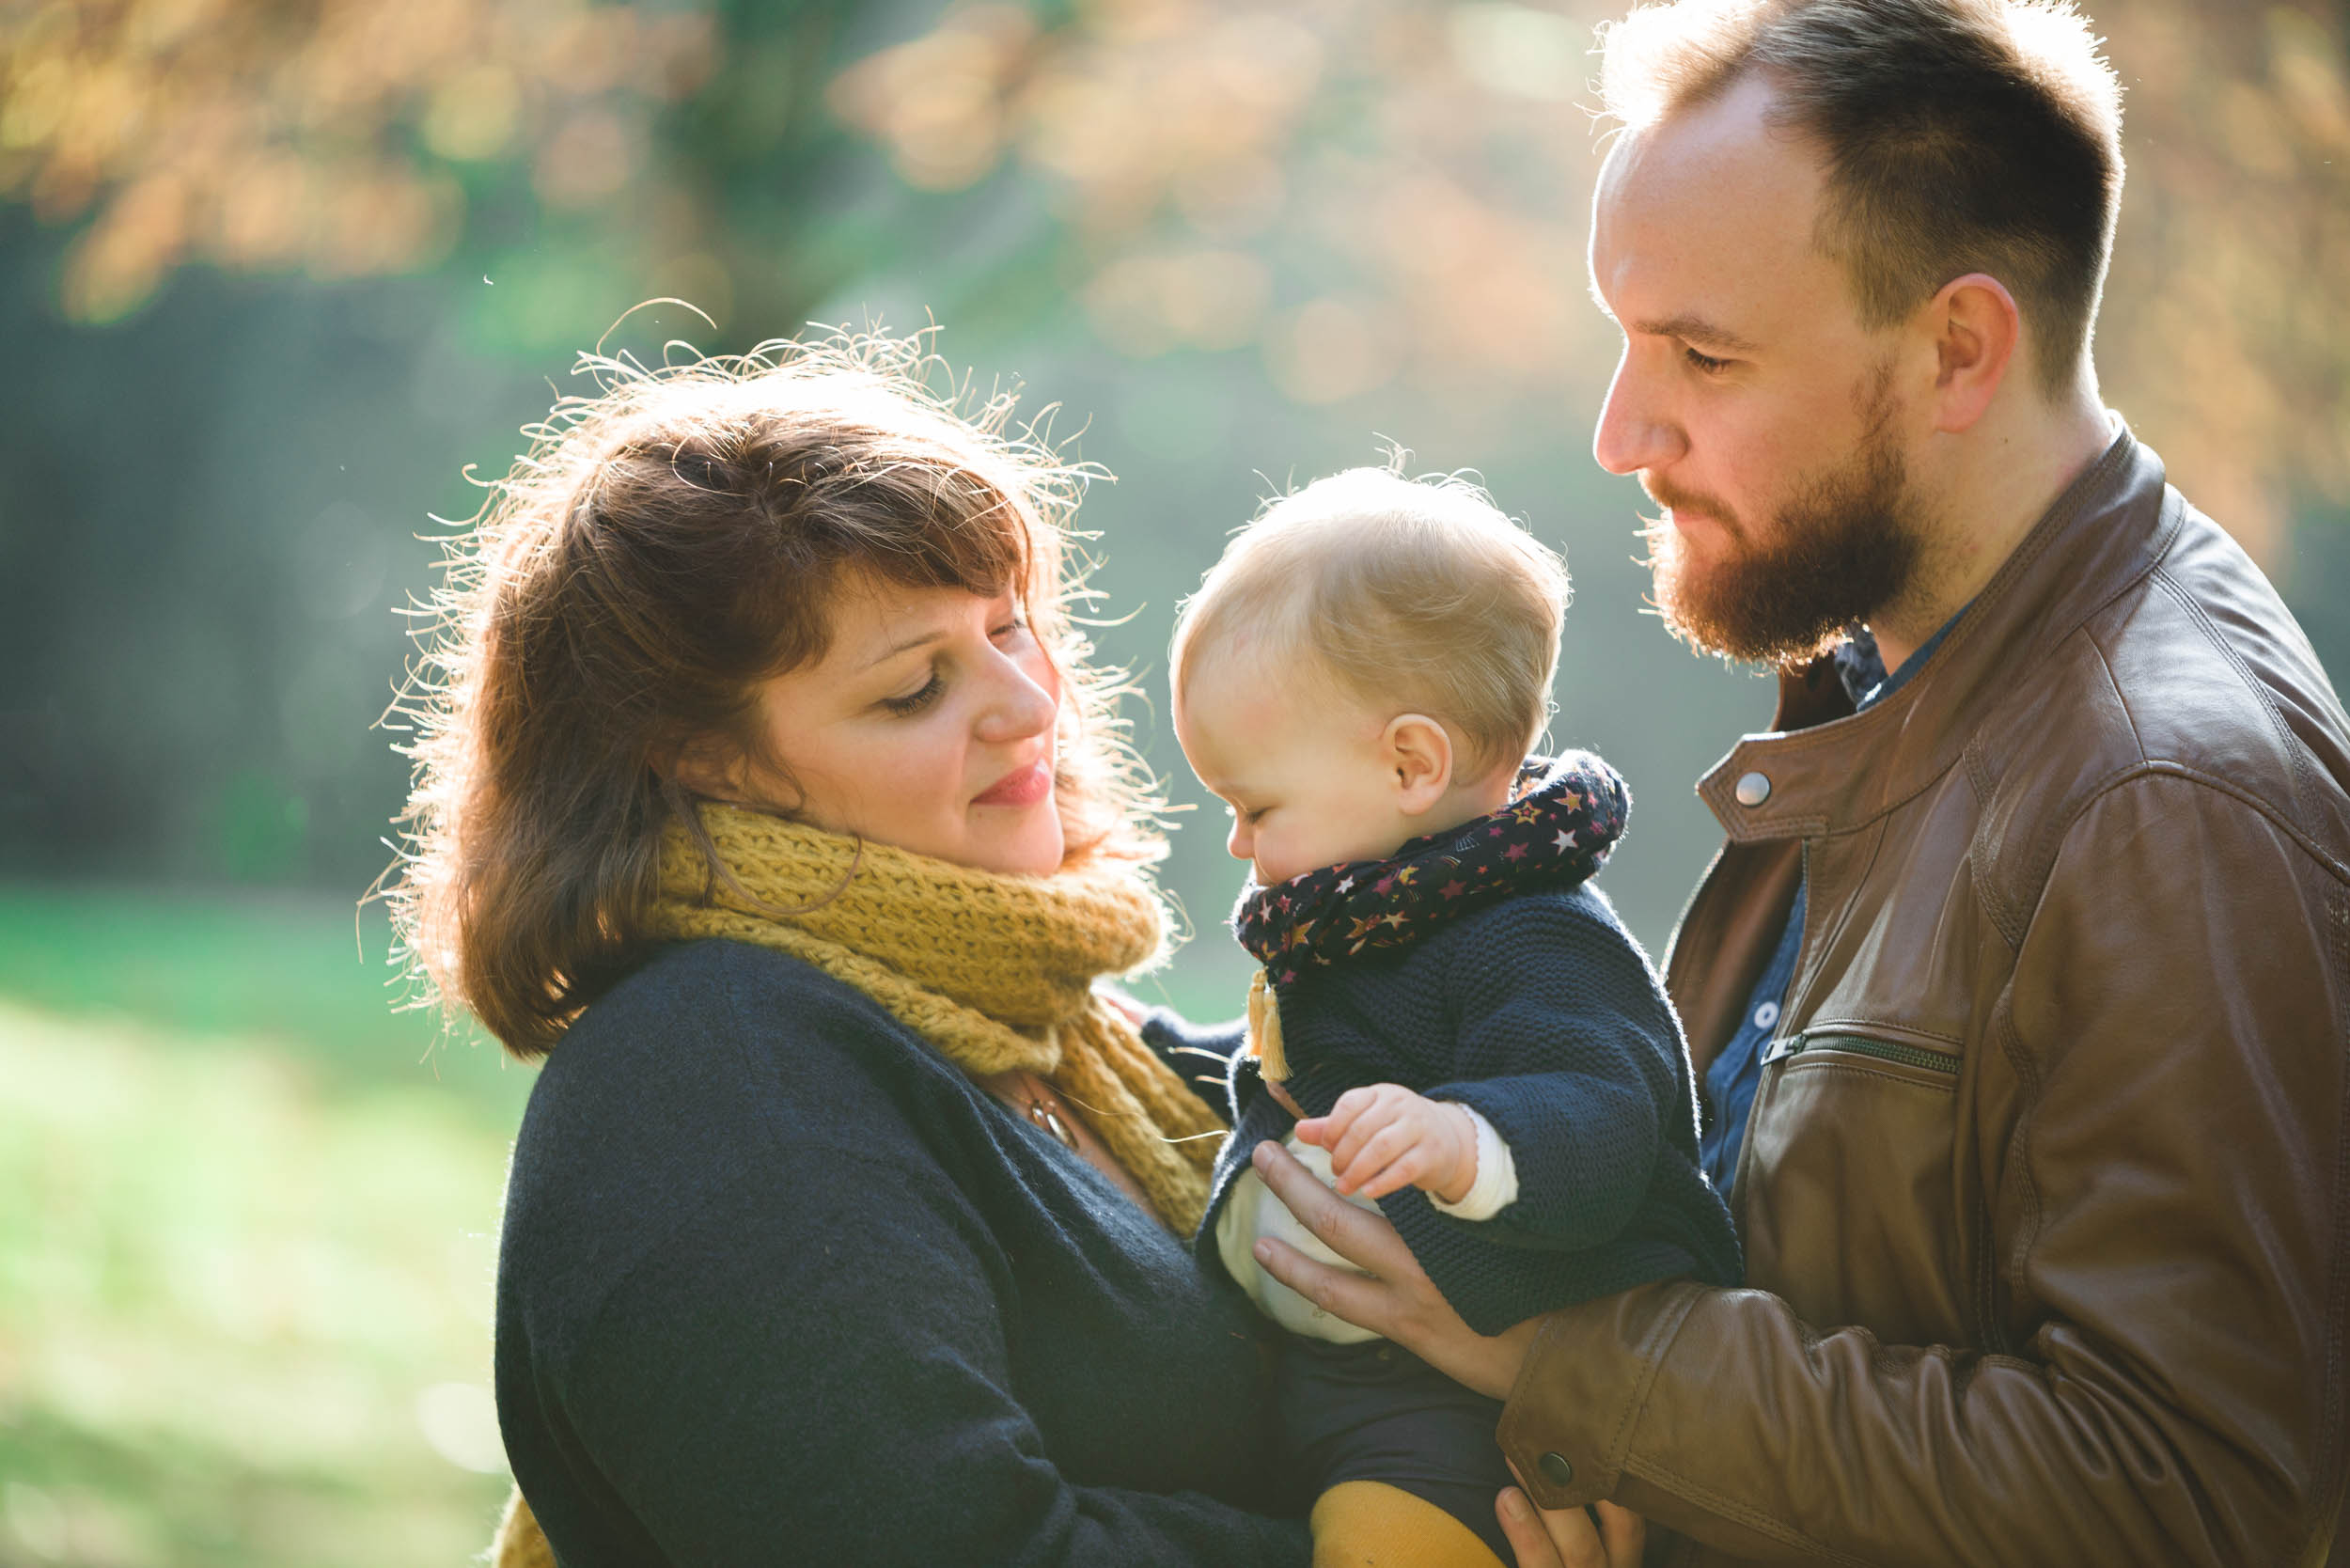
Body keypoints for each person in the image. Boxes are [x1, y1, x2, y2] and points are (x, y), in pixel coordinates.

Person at [1243, 3, 2350, 1565]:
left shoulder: (2162, 796)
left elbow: (2190, 1494)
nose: (1624, 434)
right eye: (1624, 341)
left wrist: (1566, 1368)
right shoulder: (1895, 674)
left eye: (1704, 354)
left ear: (1958, 348)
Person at [385, 335, 1315, 1565]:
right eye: (912, 688)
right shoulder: (707, 1089)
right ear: (703, 758)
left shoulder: (1071, 1036)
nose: (1027, 703)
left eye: (1007, 628)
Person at [1167, 468, 1741, 1567]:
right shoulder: (1373, 911)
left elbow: (1601, 1110)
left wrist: (1462, 1141)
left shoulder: (1531, 933)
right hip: (1339, 1377)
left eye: (1255, 806)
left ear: (1410, 764)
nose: (1239, 844)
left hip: (1459, 1413)